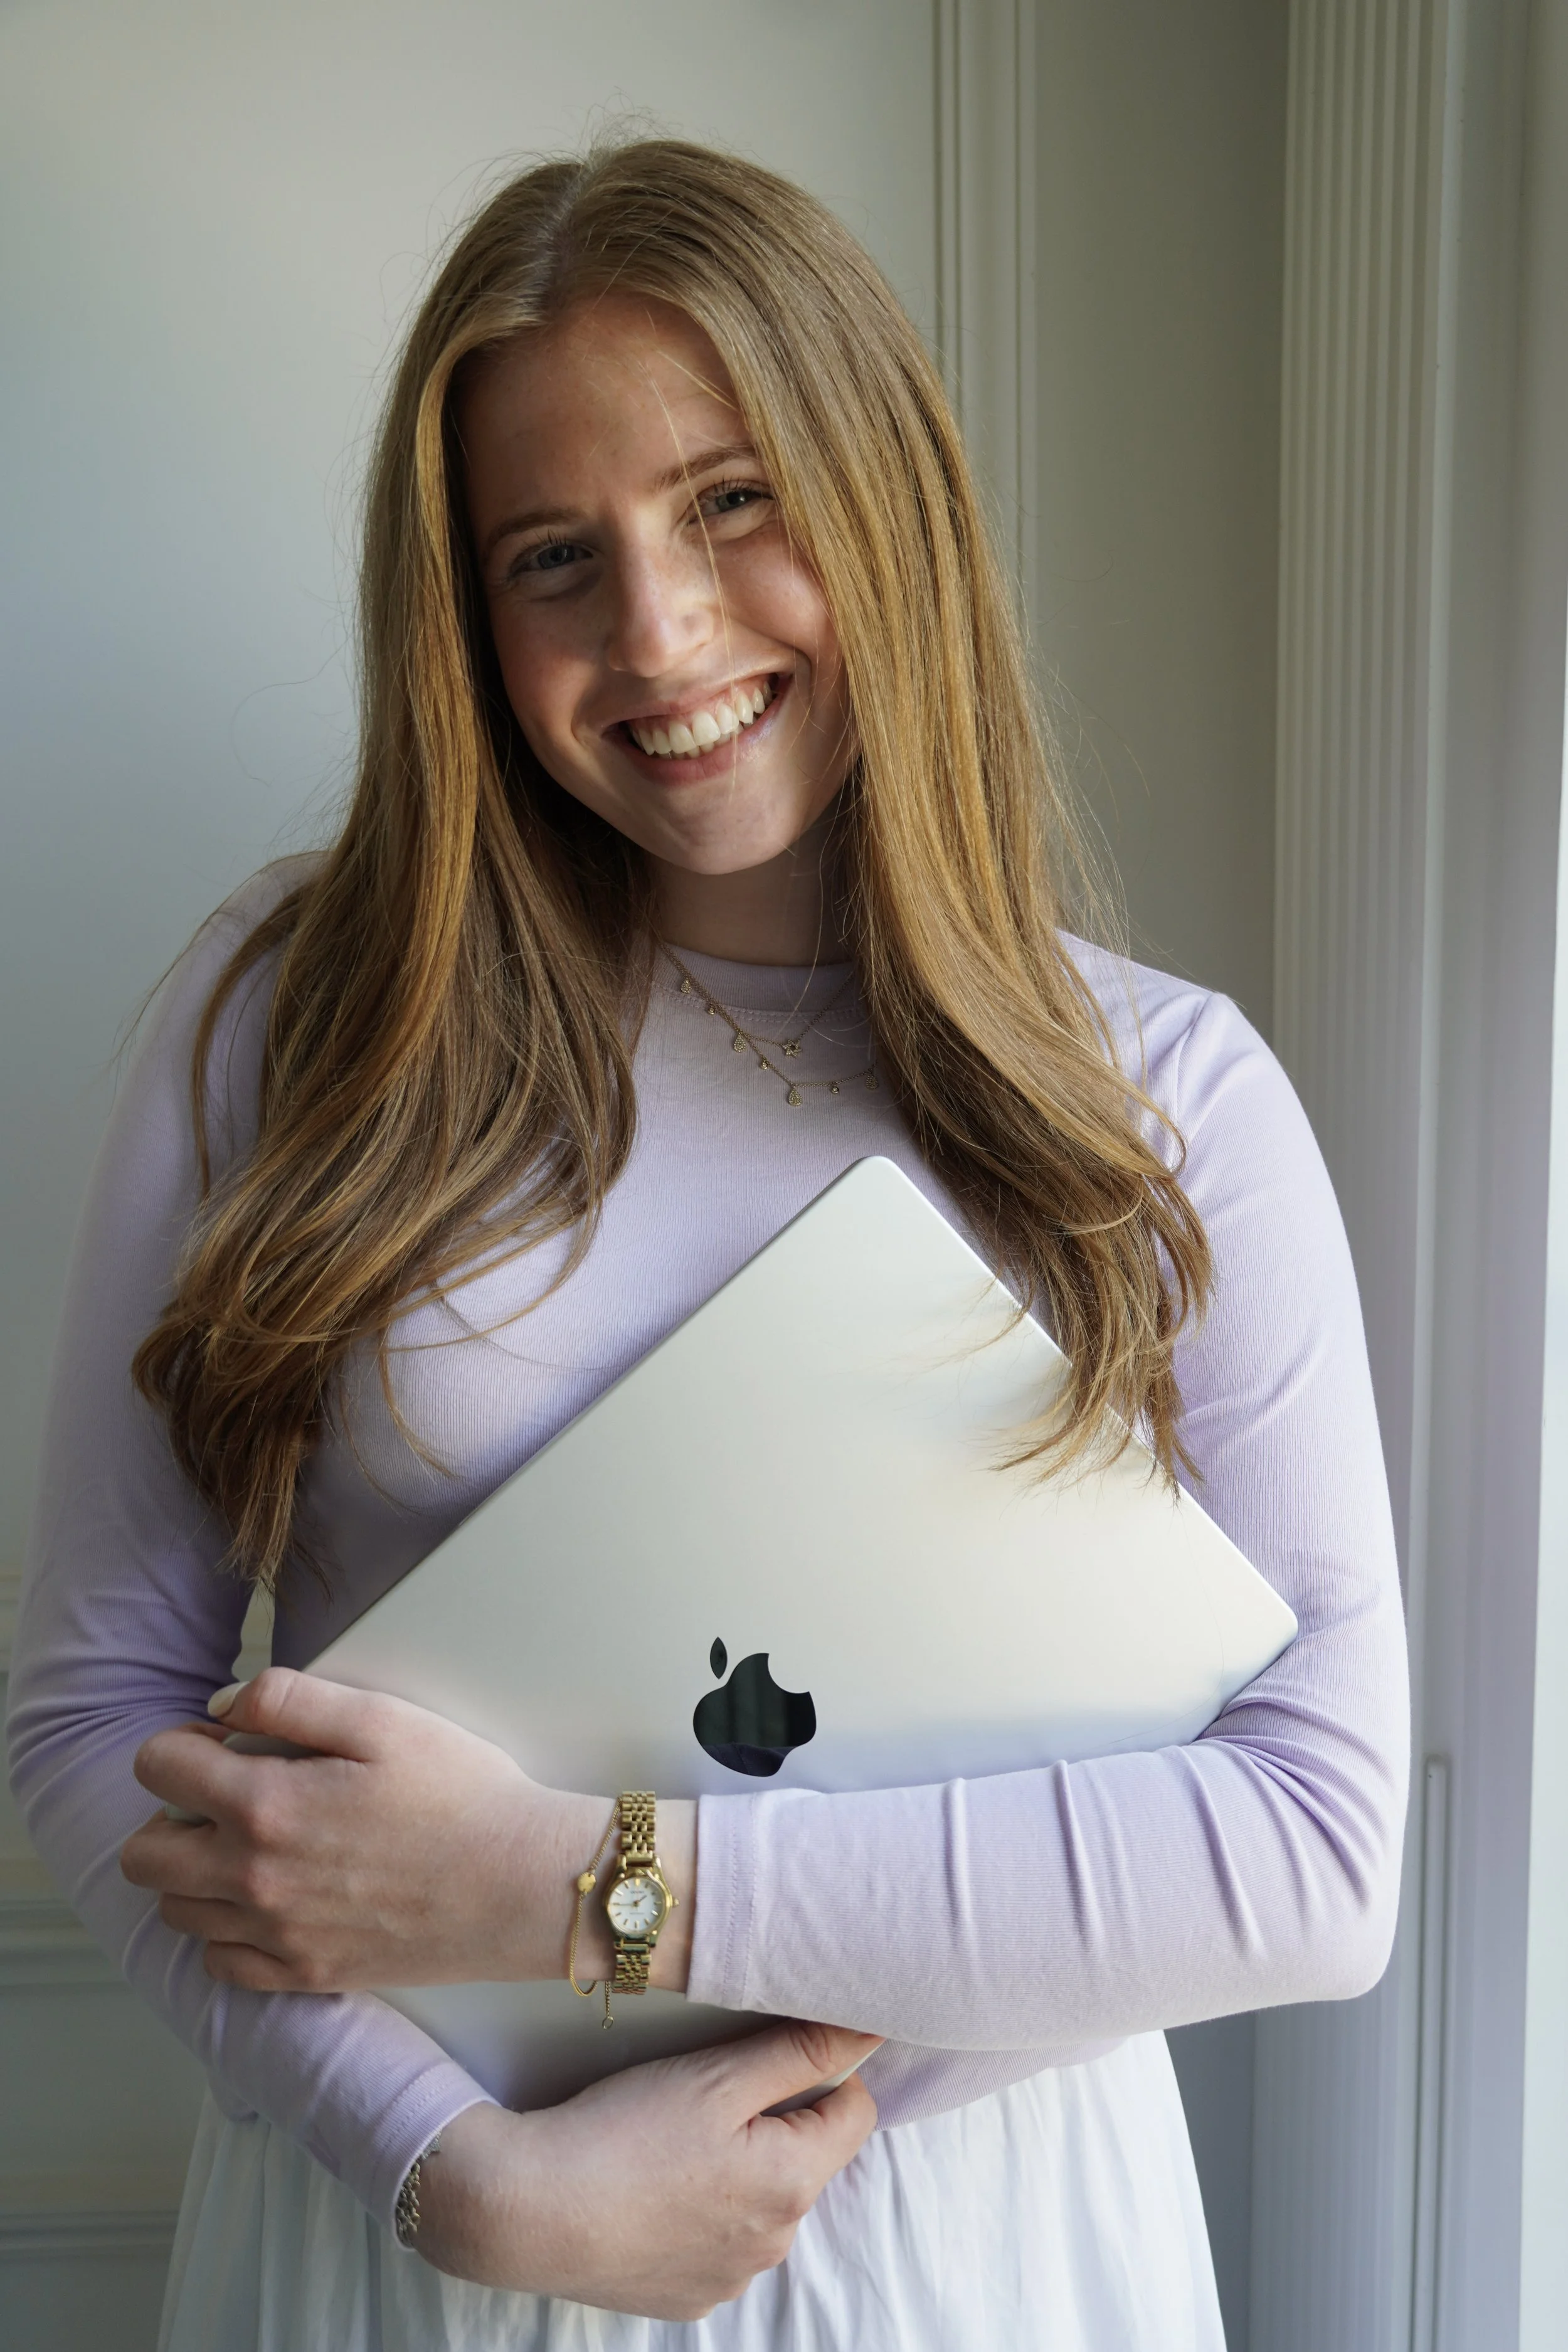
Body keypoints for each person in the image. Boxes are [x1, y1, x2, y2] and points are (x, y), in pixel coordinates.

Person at [6, 139, 1408, 2351]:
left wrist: (583, 1890)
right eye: (553, 556)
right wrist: (452, 2172)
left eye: (731, 500)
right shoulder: (293, 1014)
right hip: (427, 2237)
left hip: (977, 2255)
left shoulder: (1163, 1100)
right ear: (464, 618)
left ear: (886, 498)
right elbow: (96, 1706)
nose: (655, 636)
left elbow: (1314, 1847)